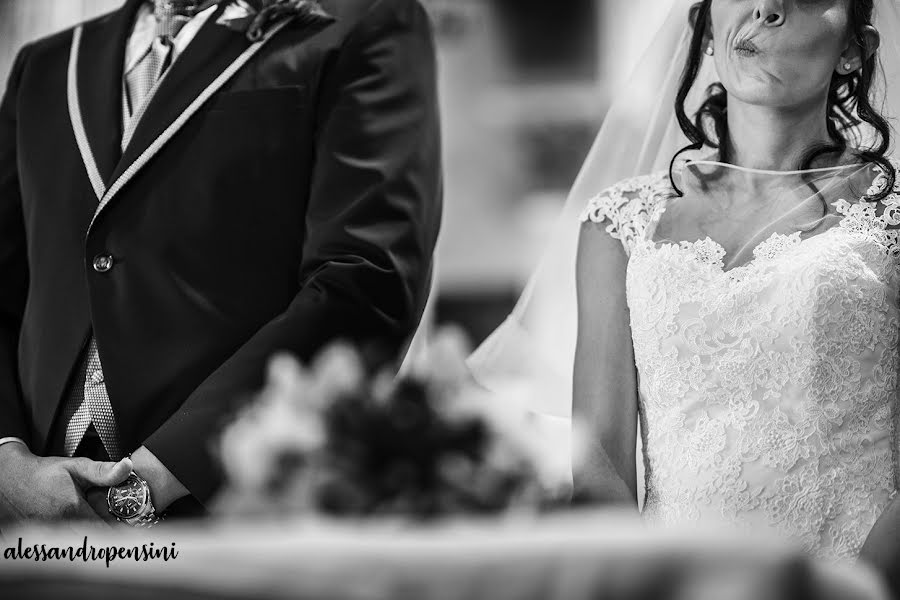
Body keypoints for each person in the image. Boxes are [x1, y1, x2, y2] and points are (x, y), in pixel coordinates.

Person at [469, 0, 899, 569]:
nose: (765, 8)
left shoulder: (889, 215)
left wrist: (851, 585)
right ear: (707, 26)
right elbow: (600, 464)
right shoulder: (620, 223)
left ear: (853, 50)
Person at [0, 0, 441, 526]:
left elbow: (366, 277)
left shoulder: (362, 24)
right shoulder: (47, 63)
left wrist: (153, 478)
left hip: (238, 504)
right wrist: (6, 460)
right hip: (30, 517)